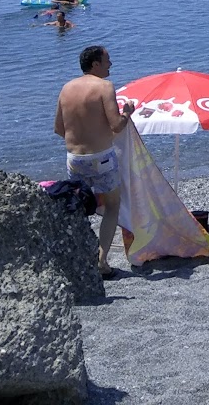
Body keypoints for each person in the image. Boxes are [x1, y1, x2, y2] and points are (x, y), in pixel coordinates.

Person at [54, 44, 137, 278]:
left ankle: (79, 255)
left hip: (74, 159)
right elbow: (116, 125)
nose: (111, 64)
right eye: (107, 60)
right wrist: (128, 112)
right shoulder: (104, 87)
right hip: (101, 158)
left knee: (79, 207)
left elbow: (59, 128)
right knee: (112, 206)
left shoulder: (66, 88)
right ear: (95, 64)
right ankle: (101, 260)